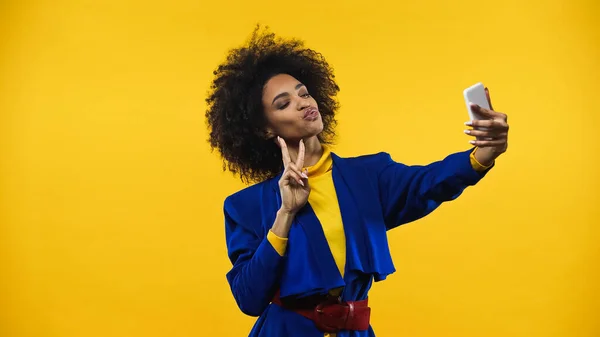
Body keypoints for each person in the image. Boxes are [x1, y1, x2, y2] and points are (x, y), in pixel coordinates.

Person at [205, 26, 509, 337]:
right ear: (264, 129)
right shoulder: (244, 206)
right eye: (283, 104)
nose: (301, 102)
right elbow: (248, 297)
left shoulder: (369, 175)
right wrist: (285, 214)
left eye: (304, 92)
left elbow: (429, 182)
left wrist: (483, 153)